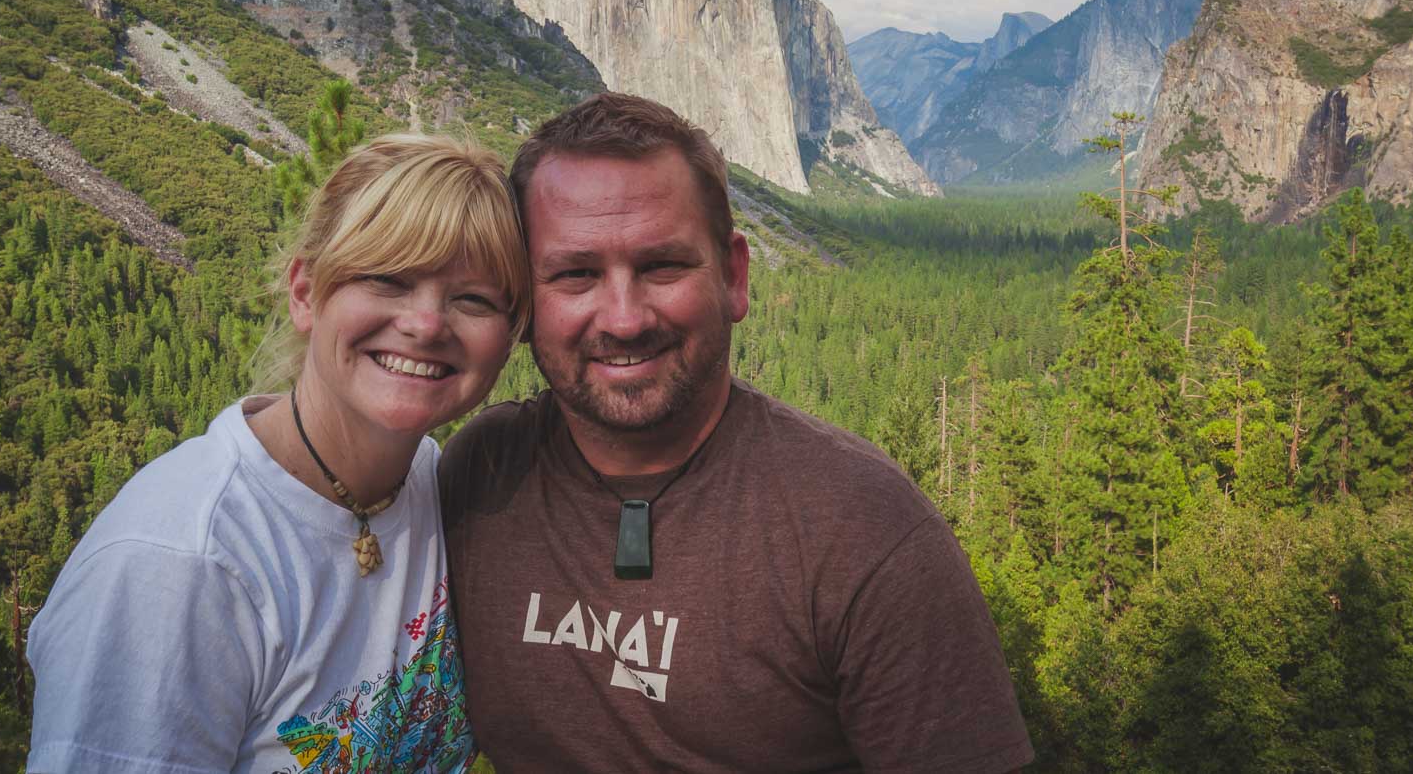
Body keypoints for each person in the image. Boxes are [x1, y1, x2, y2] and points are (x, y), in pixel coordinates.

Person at [440, 92, 1034, 772]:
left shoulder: (866, 531)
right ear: (524, 302)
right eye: (576, 274)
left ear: (735, 276)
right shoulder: (478, 477)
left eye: (661, 265)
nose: (625, 317)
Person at [28, 133, 528, 773]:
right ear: (305, 294)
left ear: (508, 337)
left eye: (474, 299)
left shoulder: (436, 482)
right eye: (386, 279)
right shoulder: (180, 565)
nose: (427, 324)